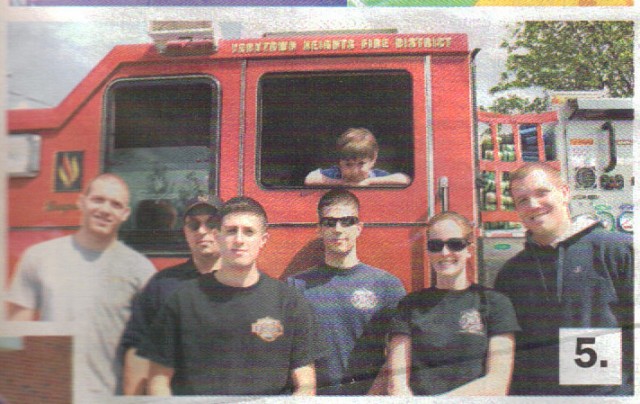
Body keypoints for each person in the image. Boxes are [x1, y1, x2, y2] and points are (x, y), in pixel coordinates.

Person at [139, 196, 325, 396]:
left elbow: (305, 383)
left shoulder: (290, 303)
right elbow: (159, 378)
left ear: (263, 240)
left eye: (249, 232)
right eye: (231, 231)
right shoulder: (183, 300)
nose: (239, 240)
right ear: (218, 236)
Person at [5, 173, 156, 398]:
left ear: (125, 214)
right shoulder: (39, 257)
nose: (105, 210)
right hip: (51, 397)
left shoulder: (141, 270)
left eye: (115, 204)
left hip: (108, 398)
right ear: (81, 201)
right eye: (98, 200)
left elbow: (146, 351)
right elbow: (14, 335)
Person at [493, 163, 634, 395]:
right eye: (522, 200)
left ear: (565, 193)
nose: (533, 205)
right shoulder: (511, 274)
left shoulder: (618, 251)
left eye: (541, 193)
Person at [288, 189, 406, 394]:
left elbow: (398, 355)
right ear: (319, 229)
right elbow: (292, 354)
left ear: (359, 228)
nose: (338, 229)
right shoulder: (296, 286)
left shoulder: (387, 285)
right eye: (329, 222)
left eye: (347, 221)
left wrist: (372, 398)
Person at [388, 212, 519, 396]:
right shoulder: (409, 305)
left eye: (455, 244)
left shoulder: (496, 304)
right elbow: (397, 383)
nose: (444, 252)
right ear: (428, 251)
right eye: (436, 245)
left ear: (469, 250)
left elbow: (497, 383)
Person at [120, 194, 222, 395]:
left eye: (212, 223)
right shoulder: (162, 285)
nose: (202, 231)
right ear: (185, 231)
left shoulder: (247, 284)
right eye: (193, 225)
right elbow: (138, 350)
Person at [304, 127, 410, 186]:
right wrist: (342, 183)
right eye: (348, 164)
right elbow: (310, 178)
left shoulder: (376, 175)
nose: (355, 170)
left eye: (361, 163)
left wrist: (369, 181)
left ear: (373, 160)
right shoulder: (334, 173)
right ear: (339, 162)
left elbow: (404, 179)